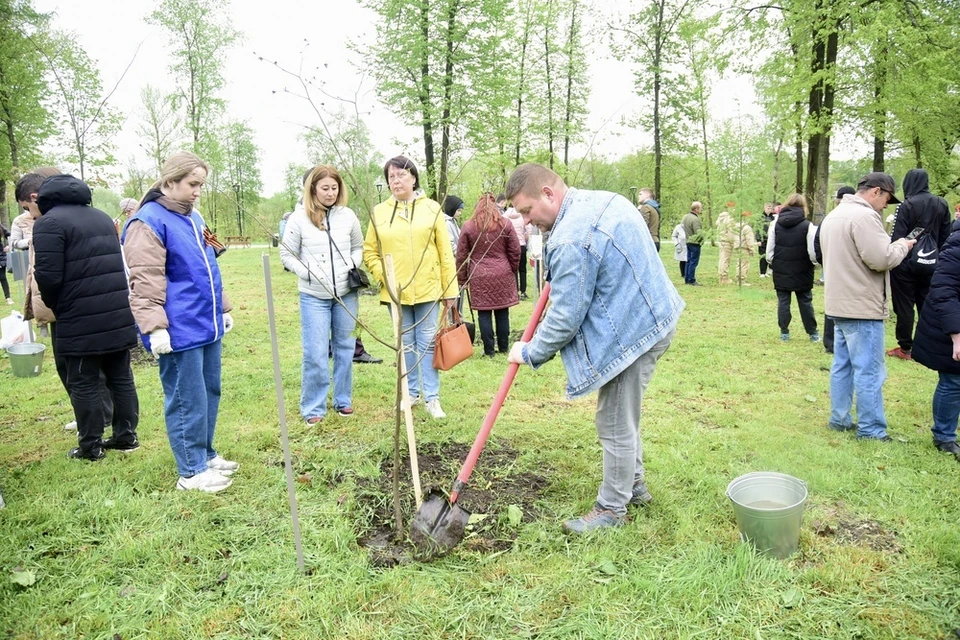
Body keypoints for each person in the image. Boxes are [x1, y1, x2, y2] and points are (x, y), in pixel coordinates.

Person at [505, 163, 684, 533]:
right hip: (655, 313)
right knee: (624, 411)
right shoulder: (600, 200)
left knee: (615, 419)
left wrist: (529, 351)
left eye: (527, 211)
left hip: (635, 332)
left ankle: (611, 509)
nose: (525, 222)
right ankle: (633, 484)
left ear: (549, 194)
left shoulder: (571, 236)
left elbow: (566, 316)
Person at [123, 151, 238, 492]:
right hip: (178, 328)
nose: (197, 191)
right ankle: (191, 471)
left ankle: (204, 453)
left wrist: (223, 308)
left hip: (206, 322)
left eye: (201, 185)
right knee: (187, 397)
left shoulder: (194, 218)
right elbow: (144, 279)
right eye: (192, 184)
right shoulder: (148, 222)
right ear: (170, 182)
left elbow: (208, 268)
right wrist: (155, 327)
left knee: (208, 391)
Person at [31, 175, 140, 461]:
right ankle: (126, 437)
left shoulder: (48, 223)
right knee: (120, 376)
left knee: (83, 380)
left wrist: (57, 305)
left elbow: (48, 275)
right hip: (117, 310)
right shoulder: (102, 217)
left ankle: (91, 447)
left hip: (79, 315)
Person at [819, 172, 915, 441]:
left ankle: (839, 419)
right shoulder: (864, 217)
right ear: (876, 191)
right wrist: (903, 246)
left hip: (838, 303)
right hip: (861, 305)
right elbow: (881, 258)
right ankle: (871, 430)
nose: (886, 205)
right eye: (886, 199)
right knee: (869, 371)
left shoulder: (835, 215)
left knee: (843, 365)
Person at [362, 155, 458, 420]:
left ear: (413, 178)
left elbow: (445, 253)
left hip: (428, 288)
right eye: (391, 177)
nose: (396, 180)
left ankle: (432, 397)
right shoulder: (379, 213)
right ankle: (411, 393)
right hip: (396, 292)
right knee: (405, 344)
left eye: (401, 175)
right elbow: (370, 252)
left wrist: (450, 291)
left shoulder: (431, 209)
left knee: (427, 343)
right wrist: (385, 275)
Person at [280, 165, 363, 424]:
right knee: (315, 352)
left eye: (334, 188)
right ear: (313, 189)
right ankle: (314, 407)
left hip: (346, 294)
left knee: (345, 347)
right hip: (313, 296)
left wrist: (352, 263)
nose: (330, 193)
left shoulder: (348, 216)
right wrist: (306, 272)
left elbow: (359, 246)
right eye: (324, 188)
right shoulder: (298, 219)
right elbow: (287, 254)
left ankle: (343, 400)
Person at [886, 168, 952, 361]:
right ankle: (926, 345)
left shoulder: (907, 205)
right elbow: (945, 237)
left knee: (904, 305)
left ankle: (905, 347)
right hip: (932, 264)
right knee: (927, 304)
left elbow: (898, 238)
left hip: (905, 265)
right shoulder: (942, 204)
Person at [911, 230, 960, 461]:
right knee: (953, 379)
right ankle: (944, 436)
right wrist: (956, 334)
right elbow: (944, 290)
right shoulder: (956, 247)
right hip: (950, 321)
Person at [456, 193, 520, 357]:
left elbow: (461, 255)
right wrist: (511, 269)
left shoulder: (469, 226)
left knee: (483, 313)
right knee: (502, 312)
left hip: (479, 274)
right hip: (502, 272)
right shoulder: (505, 224)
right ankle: (504, 348)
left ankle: (489, 350)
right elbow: (515, 250)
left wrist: (462, 278)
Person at [766, 193, 819, 341]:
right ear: (804, 207)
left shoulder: (775, 224)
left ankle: (784, 332)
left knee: (783, 301)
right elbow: (811, 251)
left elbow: (770, 250)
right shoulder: (808, 226)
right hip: (803, 269)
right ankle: (813, 332)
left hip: (781, 267)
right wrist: (814, 263)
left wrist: (772, 262)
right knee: (805, 301)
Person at [816, 186, 856, 353]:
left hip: (835, 267)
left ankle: (832, 342)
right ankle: (837, 343)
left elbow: (817, 245)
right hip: (848, 269)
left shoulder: (829, 218)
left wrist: (825, 262)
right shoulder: (858, 218)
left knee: (834, 305)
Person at [503, 200, 529, 299]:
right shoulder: (522, 216)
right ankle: (523, 291)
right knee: (523, 269)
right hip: (521, 245)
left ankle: (514, 291)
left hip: (510, 246)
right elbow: (528, 231)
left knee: (513, 270)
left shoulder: (504, 216)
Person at [682, 202, 703, 285]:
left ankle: (687, 278)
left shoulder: (686, 217)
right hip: (695, 242)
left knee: (689, 261)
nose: (701, 210)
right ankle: (691, 279)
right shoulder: (695, 219)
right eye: (700, 208)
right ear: (696, 209)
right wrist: (701, 240)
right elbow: (698, 232)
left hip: (688, 241)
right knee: (693, 261)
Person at [716, 204, 737, 285]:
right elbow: (731, 232)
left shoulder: (721, 218)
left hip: (721, 240)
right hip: (727, 241)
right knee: (726, 260)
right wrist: (733, 242)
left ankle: (721, 276)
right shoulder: (730, 219)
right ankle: (724, 278)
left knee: (722, 259)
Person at [757, 203, 775, 278]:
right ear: (764, 208)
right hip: (762, 239)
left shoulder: (773, 218)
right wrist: (758, 239)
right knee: (763, 256)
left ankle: (769, 270)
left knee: (770, 254)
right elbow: (757, 229)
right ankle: (762, 272)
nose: (769, 209)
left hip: (771, 239)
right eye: (768, 208)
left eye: (770, 208)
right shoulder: (760, 217)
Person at [0, 221, 11, 304]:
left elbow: (9, 234)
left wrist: (8, 245)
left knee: (2, 277)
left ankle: (8, 298)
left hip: (0, 256)